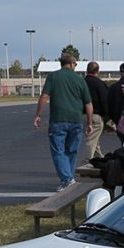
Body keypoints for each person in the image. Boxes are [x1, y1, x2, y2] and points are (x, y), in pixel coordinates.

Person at [34, 51, 93, 191]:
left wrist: (38, 114)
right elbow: (88, 103)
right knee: (72, 150)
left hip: (58, 119)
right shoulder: (80, 79)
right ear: (72, 64)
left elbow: (44, 96)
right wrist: (89, 122)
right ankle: (68, 178)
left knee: (58, 151)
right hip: (76, 119)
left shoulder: (53, 76)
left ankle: (67, 179)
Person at [79, 61, 109, 163]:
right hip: (95, 115)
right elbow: (104, 100)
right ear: (97, 71)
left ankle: (100, 158)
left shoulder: (81, 82)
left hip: (81, 114)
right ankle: (87, 161)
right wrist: (106, 116)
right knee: (91, 140)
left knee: (94, 139)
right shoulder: (99, 84)